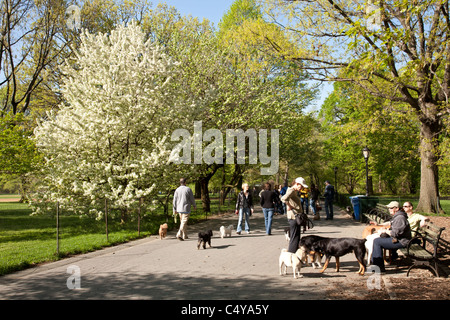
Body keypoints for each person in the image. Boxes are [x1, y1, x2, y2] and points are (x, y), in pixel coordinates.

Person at [370, 201, 411, 272]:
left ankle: (378, 267)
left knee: (377, 242)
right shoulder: (398, 216)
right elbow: (390, 223)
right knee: (378, 240)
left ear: (397, 208)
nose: (389, 210)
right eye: (389, 208)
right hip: (398, 239)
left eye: (391, 208)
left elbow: (395, 233)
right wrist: (379, 225)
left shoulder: (400, 218)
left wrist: (385, 231)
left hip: (402, 241)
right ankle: (375, 264)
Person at [281, 177, 308, 253]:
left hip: (295, 217)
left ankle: (294, 255)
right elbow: (283, 198)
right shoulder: (291, 190)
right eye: (301, 186)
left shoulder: (293, 191)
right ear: (297, 184)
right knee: (294, 238)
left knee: (296, 237)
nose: (301, 188)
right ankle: (291, 256)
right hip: (293, 217)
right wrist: (289, 206)